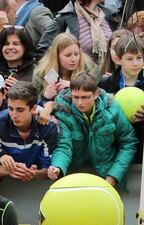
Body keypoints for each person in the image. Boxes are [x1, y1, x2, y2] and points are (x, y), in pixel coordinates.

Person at [48, 74, 137, 187]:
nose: (80, 102)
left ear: (96, 94)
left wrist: (114, 176)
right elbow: (63, 145)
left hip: (106, 174)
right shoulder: (62, 112)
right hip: (74, 175)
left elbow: (129, 142)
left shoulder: (113, 109)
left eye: (85, 97)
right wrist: (57, 167)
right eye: (76, 97)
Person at [0, 81, 58, 181]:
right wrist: (9, 170)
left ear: (33, 109)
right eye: (10, 108)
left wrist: (34, 174)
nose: (13, 115)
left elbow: (49, 168)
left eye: (20, 110)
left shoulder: (48, 127)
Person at [99, 32, 144, 163]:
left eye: (139, 57)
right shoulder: (105, 85)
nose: (135, 63)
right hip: (116, 148)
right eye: (130, 59)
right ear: (118, 59)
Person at [36, 0, 118, 66]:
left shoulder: (108, 14)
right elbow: (42, 52)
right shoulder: (65, 17)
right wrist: (59, 77)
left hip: (107, 80)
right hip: (78, 81)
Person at [33, 33, 100, 101]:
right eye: (68, 55)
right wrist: (45, 97)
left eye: (76, 54)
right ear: (57, 56)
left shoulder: (89, 68)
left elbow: (98, 94)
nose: (73, 59)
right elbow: (32, 103)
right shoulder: (41, 73)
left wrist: (74, 86)